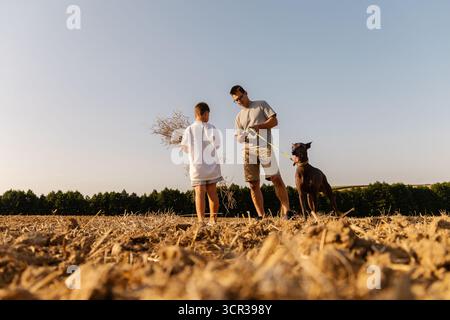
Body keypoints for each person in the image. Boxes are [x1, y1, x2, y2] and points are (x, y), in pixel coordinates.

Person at [231, 85, 294, 220]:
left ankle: (287, 212)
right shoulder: (238, 117)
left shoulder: (261, 104)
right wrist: (240, 137)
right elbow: (238, 135)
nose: (239, 101)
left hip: (265, 147)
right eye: (236, 100)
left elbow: (274, 121)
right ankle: (261, 216)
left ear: (246, 93)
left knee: (275, 178)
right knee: (253, 184)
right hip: (248, 150)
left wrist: (259, 126)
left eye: (240, 97)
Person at [180, 102, 223, 225]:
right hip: (212, 166)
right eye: (208, 114)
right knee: (212, 193)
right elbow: (218, 145)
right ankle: (213, 220)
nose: (209, 116)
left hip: (197, 166)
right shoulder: (212, 128)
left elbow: (184, 148)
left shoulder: (189, 129)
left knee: (199, 193)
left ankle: (200, 221)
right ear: (204, 114)